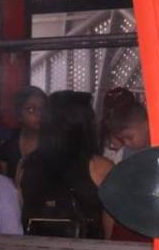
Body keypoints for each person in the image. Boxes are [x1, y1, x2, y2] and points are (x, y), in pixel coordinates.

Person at [19, 91, 114, 238]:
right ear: (83, 124)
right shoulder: (100, 167)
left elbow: (22, 212)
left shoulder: (25, 166)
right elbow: (110, 229)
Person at [0, 85, 46, 178]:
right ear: (19, 114)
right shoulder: (8, 144)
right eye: (31, 110)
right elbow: (3, 181)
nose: (39, 114)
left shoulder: (55, 143)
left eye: (43, 109)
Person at [100, 87, 149, 161]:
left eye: (129, 137)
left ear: (146, 125)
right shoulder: (125, 154)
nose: (126, 143)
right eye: (122, 140)